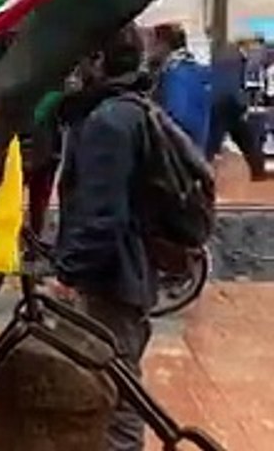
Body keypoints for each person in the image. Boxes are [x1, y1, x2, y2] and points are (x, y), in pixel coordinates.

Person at [52, 25, 157, 451]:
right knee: (114, 386)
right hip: (126, 271)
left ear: (99, 60)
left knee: (115, 395)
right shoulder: (127, 109)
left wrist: (69, 273)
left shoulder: (109, 121)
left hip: (112, 280)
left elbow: (101, 215)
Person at [210, 40, 268, 181]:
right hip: (227, 103)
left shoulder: (231, 57)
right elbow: (232, 84)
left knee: (220, 140)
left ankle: (257, 171)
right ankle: (258, 172)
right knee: (245, 139)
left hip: (223, 103)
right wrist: (243, 105)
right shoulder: (235, 59)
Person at [148, 23, 211, 151]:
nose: (149, 49)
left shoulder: (174, 75)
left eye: (153, 44)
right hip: (197, 150)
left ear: (164, 45)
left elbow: (176, 118)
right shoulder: (196, 70)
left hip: (179, 154)